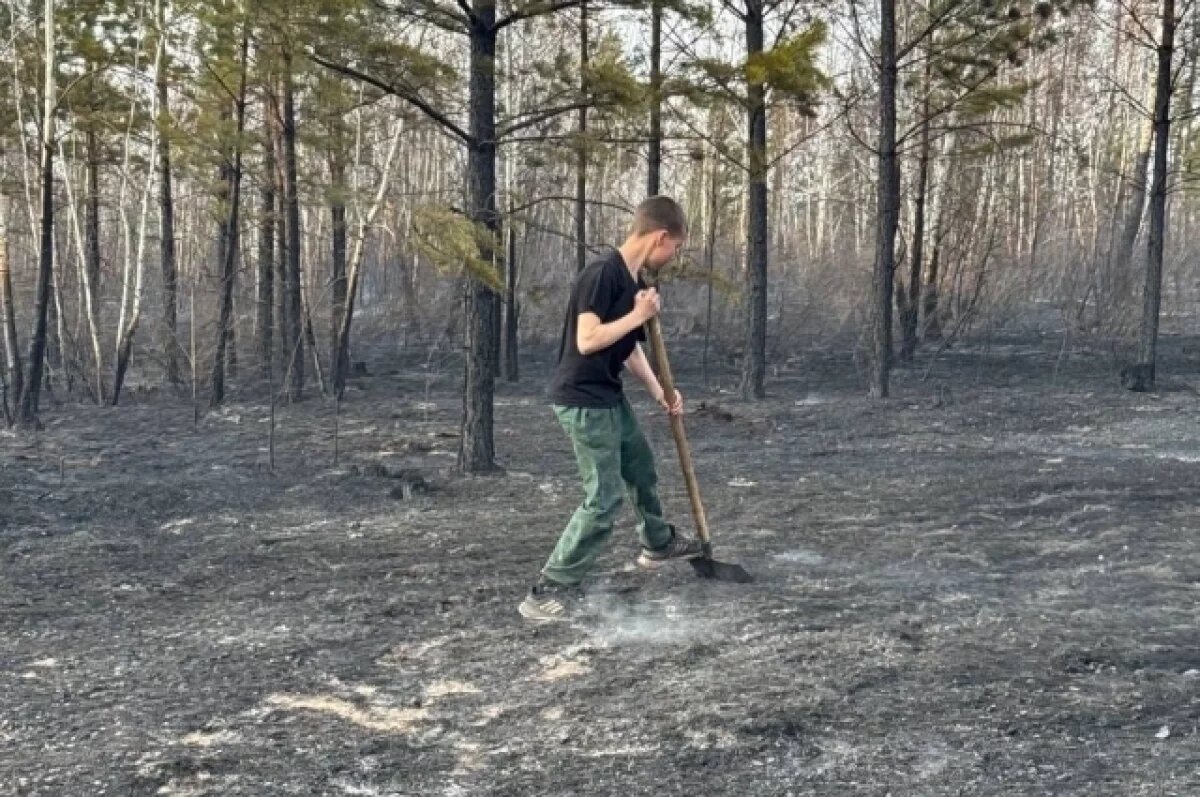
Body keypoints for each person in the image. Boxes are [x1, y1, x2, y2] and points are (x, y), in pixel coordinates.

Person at [519, 196, 704, 623]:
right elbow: (588, 340)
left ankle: (657, 543)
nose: (674, 257)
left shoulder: (631, 280)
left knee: (640, 467)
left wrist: (661, 391)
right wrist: (636, 313)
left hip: (608, 396)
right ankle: (549, 589)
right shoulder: (601, 275)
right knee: (603, 498)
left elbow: (626, 348)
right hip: (582, 401)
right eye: (675, 247)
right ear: (660, 237)